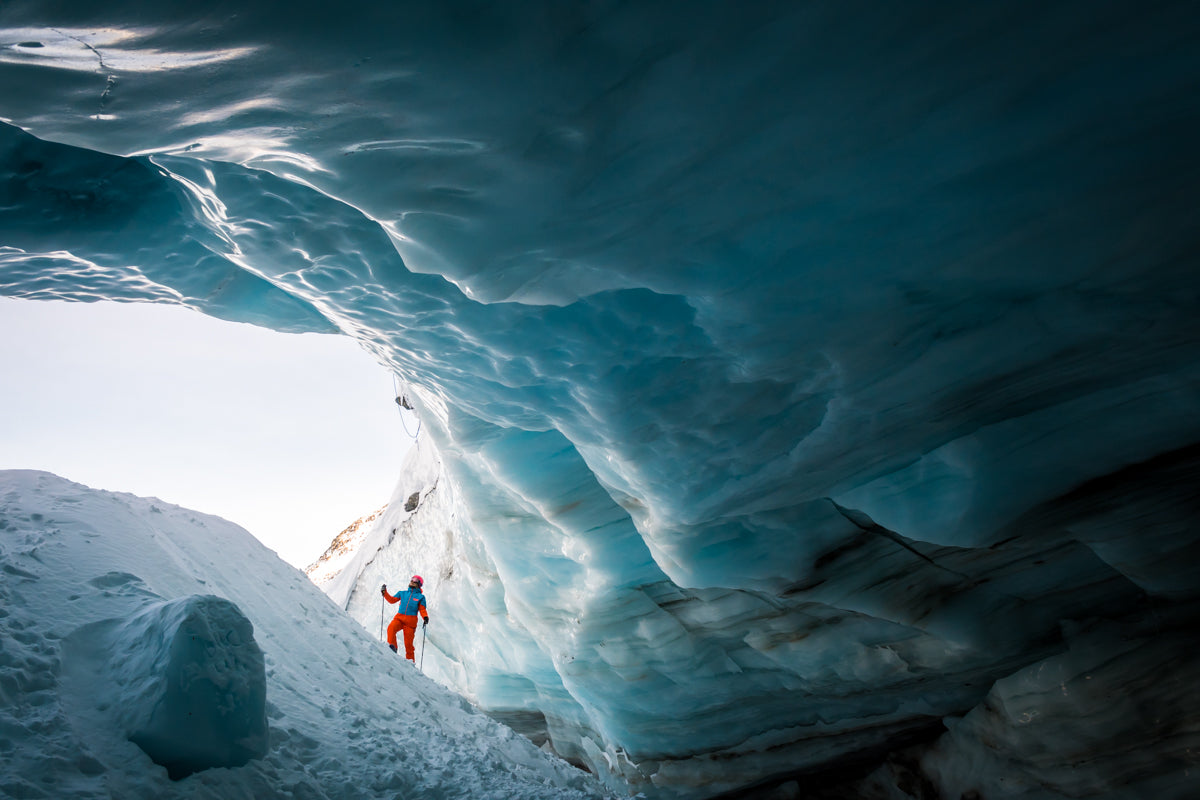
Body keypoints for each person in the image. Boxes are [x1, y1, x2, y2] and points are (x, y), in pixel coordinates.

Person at [381, 575, 429, 662]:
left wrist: (425, 617)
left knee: (408, 645)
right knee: (391, 628)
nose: (412, 581)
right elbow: (392, 600)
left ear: (419, 584)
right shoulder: (402, 593)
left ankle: (410, 665)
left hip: (410, 623)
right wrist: (385, 593)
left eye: (415, 580)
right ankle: (392, 649)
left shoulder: (421, 597)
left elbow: (422, 609)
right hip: (399, 618)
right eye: (412, 579)